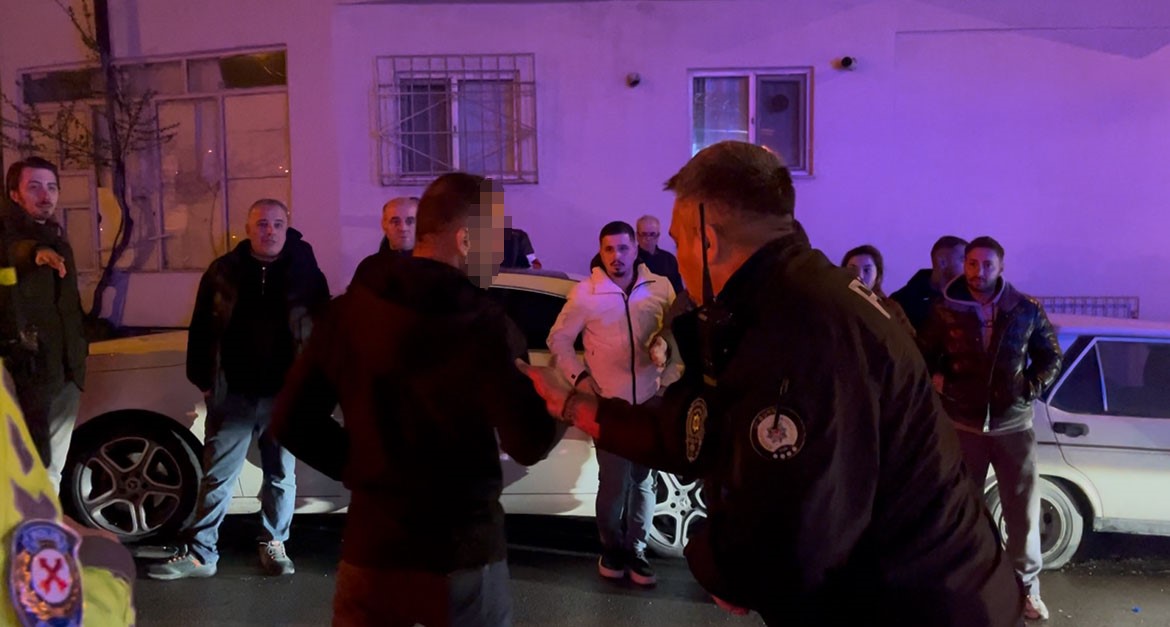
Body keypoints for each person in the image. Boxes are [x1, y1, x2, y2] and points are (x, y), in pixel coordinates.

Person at [518, 141, 1022, 626]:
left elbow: (793, 541)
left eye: (677, 239)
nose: (676, 255)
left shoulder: (800, 324)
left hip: (922, 607)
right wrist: (576, 406)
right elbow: (695, 433)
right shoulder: (774, 300)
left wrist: (720, 565)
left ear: (707, 241)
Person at [271, 172, 566, 627]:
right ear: (465, 240)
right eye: (496, 238)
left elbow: (292, 420)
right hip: (462, 554)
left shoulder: (348, 313)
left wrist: (365, 468)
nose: (500, 254)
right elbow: (527, 442)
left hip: (373, 550)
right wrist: (560, 399)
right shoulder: (486, 324)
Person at [147, 199, 330, 581]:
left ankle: (274, 542)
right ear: (247, 229)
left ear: (287, 228)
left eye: (277, 224)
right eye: (262, 224)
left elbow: (323, 334)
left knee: (281, 475)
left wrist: (314, 389)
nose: (270, 231)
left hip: (285, 396)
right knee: (217, 476)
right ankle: (202, 554)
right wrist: (205, 383)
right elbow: (201, 328)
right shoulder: (223, 271)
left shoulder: (307, 274)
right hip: (234, 396)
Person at [918, 236, 1062, 622]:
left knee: (1023, 514)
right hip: (963, 426)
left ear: (1001, 267)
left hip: (1013, 427)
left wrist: (1028, 388)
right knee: (962, 511)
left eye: (987, 265)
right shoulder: (945, 309)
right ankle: (964, 586)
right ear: (964, 264)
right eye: (972, 263)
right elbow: (923, 354)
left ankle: (1027, 589)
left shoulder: (1025, 309)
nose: (978, 272)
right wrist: (939, 381)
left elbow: (1051, 355)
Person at [547, 220, 683, 586]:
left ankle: (636, 551)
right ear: (601, 252)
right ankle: (611, 549)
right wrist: (579, 378)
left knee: (644, 481)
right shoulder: (587, 293)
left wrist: (669, 377)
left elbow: (678, 334)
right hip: (610, 406)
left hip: (651, 403)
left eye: (623, 248)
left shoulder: (660, 287)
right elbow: (558, 339)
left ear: (636, 249)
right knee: (612, 483)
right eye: (609, 249)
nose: (616, 256)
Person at [2, 361, 136, 626]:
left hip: (62, 374)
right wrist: (111, 561)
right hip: (40, 376)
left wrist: (50, 520)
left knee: (51, 471)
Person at [1, 157, 88, 494]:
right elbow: (16, 252)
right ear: (14, 194)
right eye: (34, 187)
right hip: (27, 369)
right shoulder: (9, 237)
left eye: (51, 187)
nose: (45, 195)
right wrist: (35, 252)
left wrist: (80, 346)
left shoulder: (57, 237)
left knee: (51, 469)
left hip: (65, 369)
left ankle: (42, 525)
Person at [589, 215, 685, 297]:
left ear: (658, 236)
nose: (648, 239)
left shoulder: (669, 259)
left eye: (652, 234)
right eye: (644, 234)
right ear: (637, 235)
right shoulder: (627, 256)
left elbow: (678, 291)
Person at [890, 235, 967, 331]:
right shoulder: (902, 301)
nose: (969, 268)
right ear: (942, 262)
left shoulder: (970, 302)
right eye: (963, 260)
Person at [841, 244, 915, 336]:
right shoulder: (834, 302)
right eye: (853, 269)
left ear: (878, 275)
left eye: (867, 270)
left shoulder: (890, 308)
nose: (860, 276)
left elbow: (909, 340)